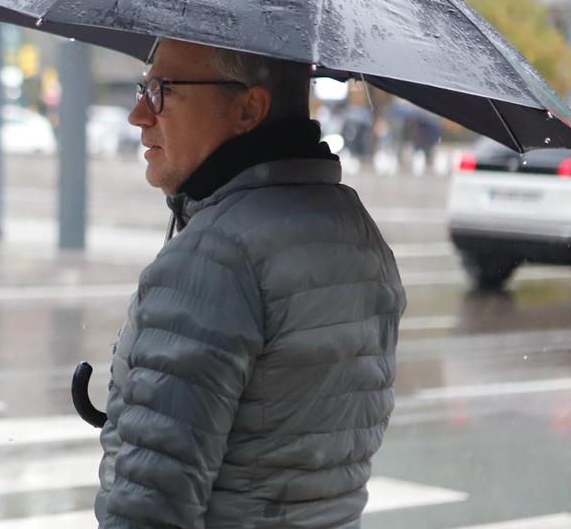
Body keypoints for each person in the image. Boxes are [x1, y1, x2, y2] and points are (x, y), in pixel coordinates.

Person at [96, 38, 406, 529]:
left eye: (162, 91)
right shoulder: (356, 231)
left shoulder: (220, 253)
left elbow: (153, 504)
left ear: (248, 109)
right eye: (142, 88)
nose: (138, 114)